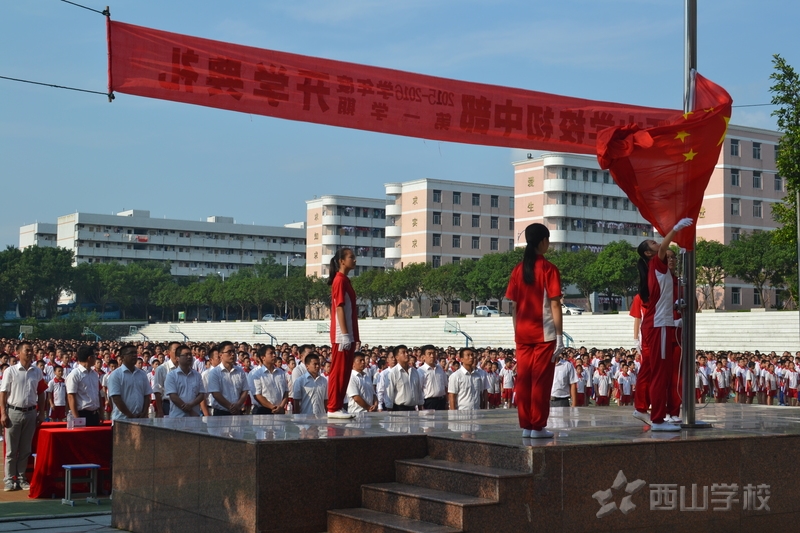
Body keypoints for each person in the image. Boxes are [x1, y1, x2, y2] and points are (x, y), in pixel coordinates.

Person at [505, 223, 563, 438]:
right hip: (543, 333)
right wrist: (559, 337)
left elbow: (513, 306)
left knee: (524, 380)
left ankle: (527, 425)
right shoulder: (548, 268)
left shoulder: (518, 269)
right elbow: (555, 304)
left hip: (522, 332)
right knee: (540, 381)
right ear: (543, 242)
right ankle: (537, 425)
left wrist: (516, 331)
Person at [634, 217, 693, 431]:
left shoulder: (661, 269)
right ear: (649, 254)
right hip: (659, 325)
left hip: (664, 324)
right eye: (652, 243)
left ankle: (654, 413)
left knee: (663, 373)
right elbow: (666, 246)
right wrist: (675, 228)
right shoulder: (656, 264)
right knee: (659, 375)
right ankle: (658, 419)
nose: (657, 243)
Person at [0, 341, 46, 492]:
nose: (30, 352)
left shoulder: (37, 371)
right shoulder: (10, 371)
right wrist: (3, 413)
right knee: (11, 450)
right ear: (18, 353)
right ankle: (8, 479)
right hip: (13, 412)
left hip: (31, 413)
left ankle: (21, 477)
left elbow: (41, 393)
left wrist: (42, 413)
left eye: (31, 350)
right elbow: (3, 393)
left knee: (25, 449)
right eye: (27, 350)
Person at [327, 248, 359, 419]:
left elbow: (350, 311)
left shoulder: (345, 280)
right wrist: (345, 334)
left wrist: (355, 336)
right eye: (351, 257)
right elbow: (339, 308)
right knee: (338, 371)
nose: (354, 260)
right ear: (341, 260)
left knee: (345, 372)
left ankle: (338, 405)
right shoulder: (339, 280)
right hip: (341, 334)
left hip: (349, 333)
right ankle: (333, 407)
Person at [107, 344, 152, 421]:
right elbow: (116, 399)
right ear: (122, 357)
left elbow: (146, 395)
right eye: (131, 353)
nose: (134, 355)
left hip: (140, 418)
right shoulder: (115, 375)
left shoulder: (142, 374)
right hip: (122, 419)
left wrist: (144, 413)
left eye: (135, 353)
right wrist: (130, 416)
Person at [205, 341, 249, 416]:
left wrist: (238, 405)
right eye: (229, 352)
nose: (232, 354)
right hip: (221, 412)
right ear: (221, 355)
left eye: (233, 351)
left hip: (237, 411)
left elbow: (245, 390)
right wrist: (229, 406)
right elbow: (216, 393)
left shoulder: (240, 371)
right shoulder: (215, 372)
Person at [164, 345, 205, 418]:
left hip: (194, 418)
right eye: (186, 355)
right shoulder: (171, 376)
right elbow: (173, 397)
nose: (189, 357)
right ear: (177, 358)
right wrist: (190, 410)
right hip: (177, 417)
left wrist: (191, 405)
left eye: (190, 355)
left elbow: (201, 394)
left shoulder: (197, 375)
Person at [66, 344, 102, 426]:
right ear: (90, 358)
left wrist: (101, 412)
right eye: (94, 356)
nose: (96, 358)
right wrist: (76, 418)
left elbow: (98, 393)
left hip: (95, 414)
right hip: (82, 414)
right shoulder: (75, 374)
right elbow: (71, 396)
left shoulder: (94, 374)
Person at [383, 345, 423, 411]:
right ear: (397, 357)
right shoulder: (393, 373)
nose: (407, 354)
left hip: (413, 409)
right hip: (399, 409)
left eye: (407, 352)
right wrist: (389, 409)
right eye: (403, 352)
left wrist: (420, 405)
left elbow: (419, 390)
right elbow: (389, 393)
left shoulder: (414, 371)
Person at [252, 345, 289, 415]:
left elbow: (286, 392)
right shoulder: (257, 374)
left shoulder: (281, 372)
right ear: (263, 357)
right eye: (271, 353)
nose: (274, 355)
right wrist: (272, 407)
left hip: (280, 410)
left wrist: (281, 407)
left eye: (274, 353)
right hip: (264, 411)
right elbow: (257, 395)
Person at [419, 344, 448, 410]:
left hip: (441, 401)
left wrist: (447, 402)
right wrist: (420, 405)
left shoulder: (440, 368)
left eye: (434, 353)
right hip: (429, 402)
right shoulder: (421, 371)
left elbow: (445, 386)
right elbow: (419, 390)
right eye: (429, 354)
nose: (432, 356)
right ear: (423, 357)